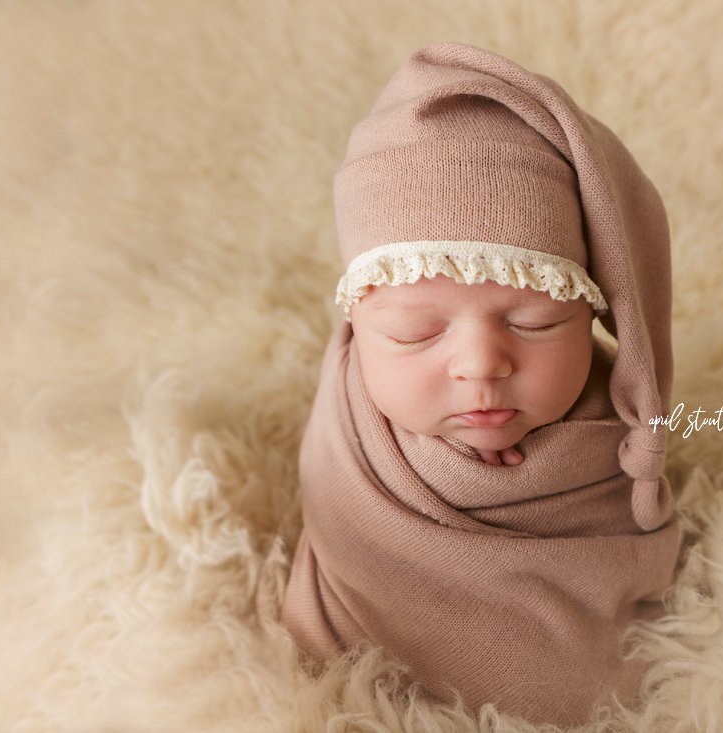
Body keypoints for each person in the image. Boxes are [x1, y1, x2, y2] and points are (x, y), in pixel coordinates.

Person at [279, 40, 683, 728]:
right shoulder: (350, 422)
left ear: (592, 308)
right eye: (414, 333)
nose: (481, 365)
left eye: (533, 320)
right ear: (357, 323)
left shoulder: (622, 429)